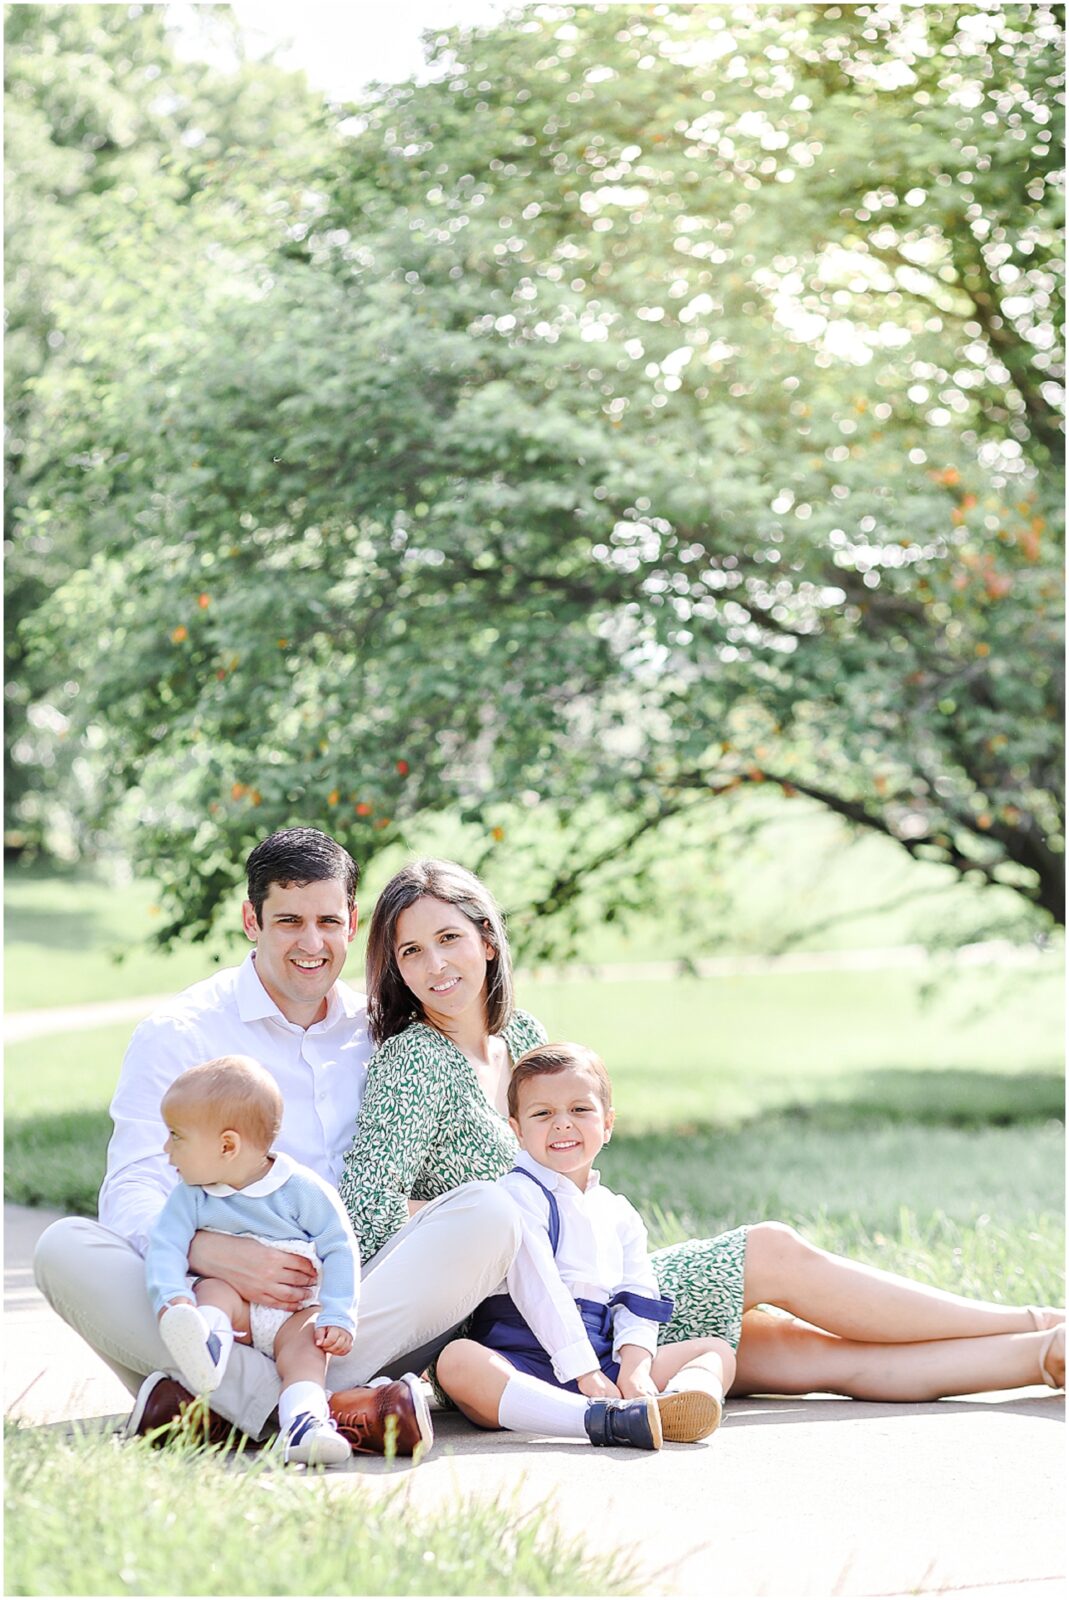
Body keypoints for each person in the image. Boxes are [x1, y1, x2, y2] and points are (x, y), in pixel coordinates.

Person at [341, 858, 1065, 1404]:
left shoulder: (523, 1037)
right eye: (410, 952)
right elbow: (367, 1218)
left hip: (602, 1286)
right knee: (771, 1253)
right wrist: (478, 1222)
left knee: (805, 1357)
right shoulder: (413, 1062)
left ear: (488, 942)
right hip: (525, 1321)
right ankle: (1035, 1320)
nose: (435, 965)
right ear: (396, 970)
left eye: (448, 939)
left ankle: (1043, 1350)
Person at [33, 828, 529, 1457]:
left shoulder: (385, 1032)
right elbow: (134, 1184)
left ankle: (219, 1408)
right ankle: (324, 1410)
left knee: (490, 1213)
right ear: (251, 920)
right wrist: (212, 1251)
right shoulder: (181, 1032)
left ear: (352, 922)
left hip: (351, 1304)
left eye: (328, 921)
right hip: (220, 1305)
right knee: (63, 1249)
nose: (312, 943)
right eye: (289, 920)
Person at [436, 1041, 736, 1452]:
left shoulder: (618, 1212)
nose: (562, 1124)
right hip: (523, 1356)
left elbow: (638, 1294)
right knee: (458, 1362)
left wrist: (634, 1366)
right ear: (517, 1130)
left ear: (608, 1123)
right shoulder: (516, 1195)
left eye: (580, 1110)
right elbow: (537, 1288)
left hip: (602, 1354)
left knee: (715, 1351)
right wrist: (584, 1374)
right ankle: (597, 1420)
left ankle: (666, 1403)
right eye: (543, 1114)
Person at [148, 1055, 359, 1467]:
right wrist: (172, 1299)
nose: (166, 1149)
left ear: (227, 1145)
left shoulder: (300, 1190)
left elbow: (339, 1246)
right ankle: (205, 1343)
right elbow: (164, 1247)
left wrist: (338, 1313)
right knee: (211, 1289)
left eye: (176, 1136)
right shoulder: (190, 1195)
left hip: (293, 1313)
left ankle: (304, 1422)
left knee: (308, 1350)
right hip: (236, 1314)